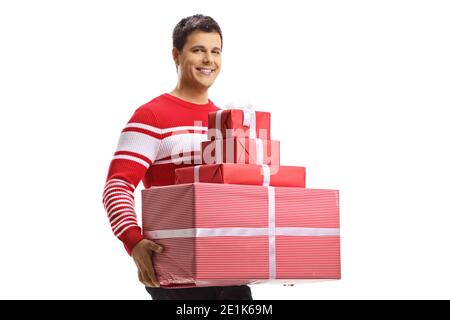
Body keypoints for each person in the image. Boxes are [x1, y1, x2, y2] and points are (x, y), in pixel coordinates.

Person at [102, 14, 253, 300]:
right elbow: (117, 186)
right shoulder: (151, 116)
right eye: (198, 50)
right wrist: (134, 242)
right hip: (178, 279)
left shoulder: (226, 122)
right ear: (176, 55)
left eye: (215, 51)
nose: (208, 59)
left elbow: (237, 196)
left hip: (232, 276)